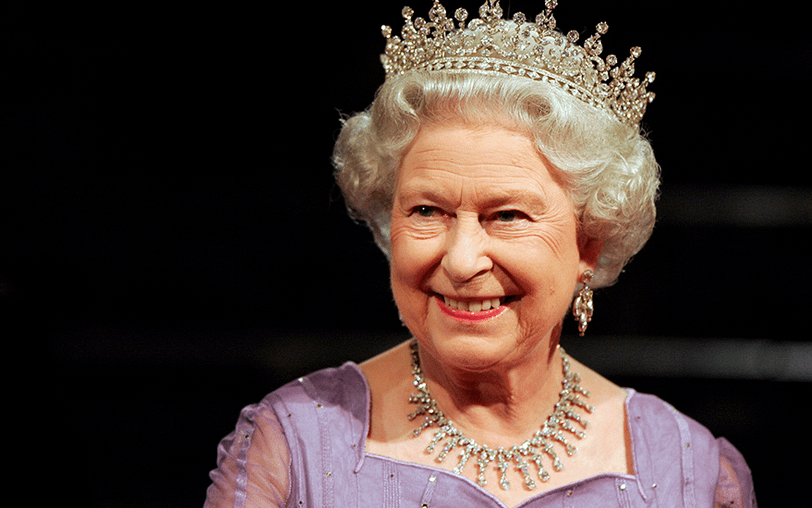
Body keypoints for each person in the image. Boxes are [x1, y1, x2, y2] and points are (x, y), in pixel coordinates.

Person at [205, 1, 756, 506]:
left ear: (589, 242)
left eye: (507, 216)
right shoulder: (291, 447)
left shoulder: (690, 473)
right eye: (427, 211)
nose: (462, 260)